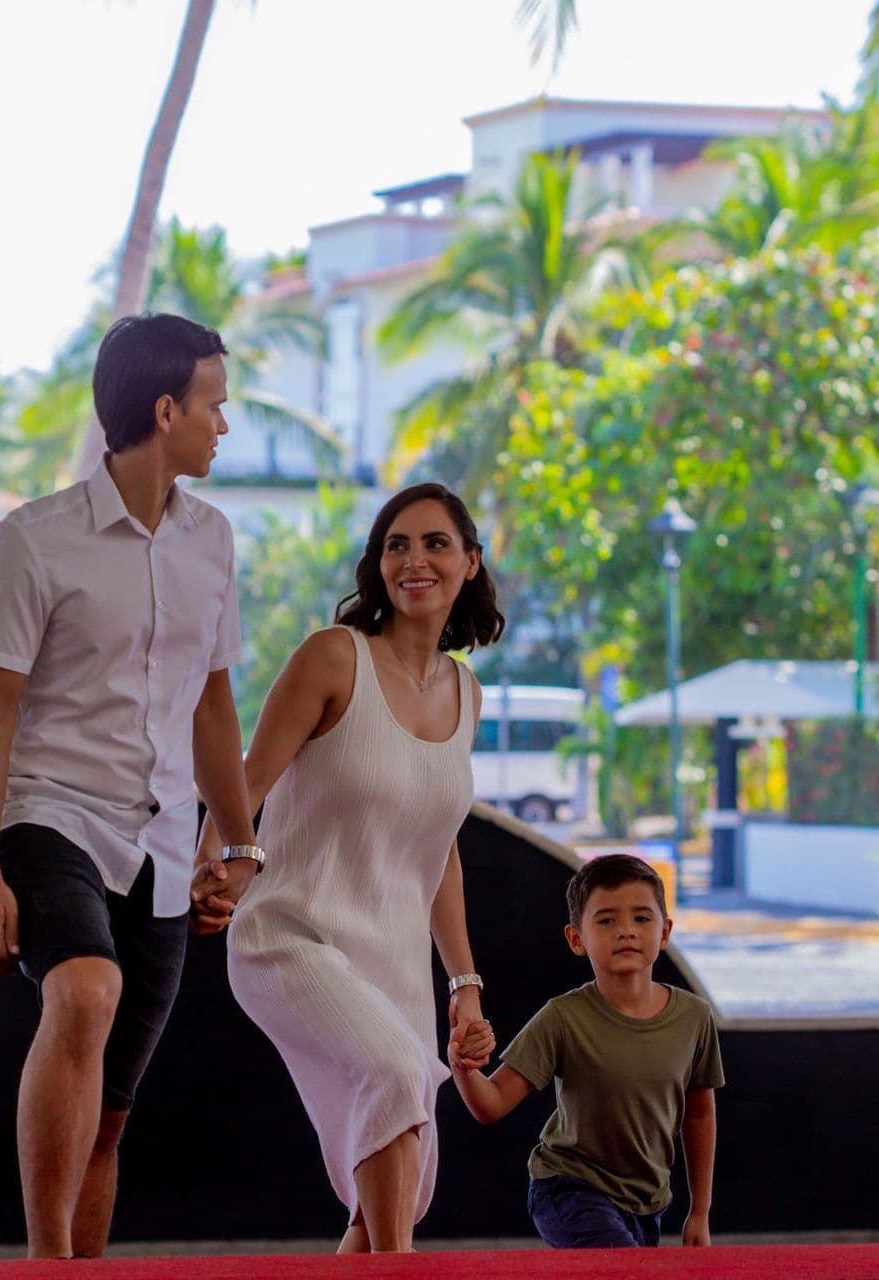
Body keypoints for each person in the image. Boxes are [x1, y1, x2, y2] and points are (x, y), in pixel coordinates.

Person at [0, 312, 264, 1260]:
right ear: (165, 409)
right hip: (50, 814)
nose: (225, 424)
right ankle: (46, 1261)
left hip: (167, 845)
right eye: (214, 404)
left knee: (112, 1116)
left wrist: (240, 842)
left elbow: (213, 706)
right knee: (84, 993)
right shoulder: (30, 543)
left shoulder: (212, 542)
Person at [193, 482, 503, 1253]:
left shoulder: (467, 695)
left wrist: (465, 987)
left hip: (392, 964)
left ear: (470, 562)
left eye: (435, 543)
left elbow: (441, 849)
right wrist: (218, 860)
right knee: (399, 1079)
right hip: (289, 936)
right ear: (377, 565)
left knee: (389, 1194)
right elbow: (245, 782)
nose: (413, 560)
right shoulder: (335, 657)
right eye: (396, 544)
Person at [447, 854, 723, 1250]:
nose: (626, 930)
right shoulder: (562, 1017)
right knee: (622, 1269)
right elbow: (490, 1105)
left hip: (647, 1204)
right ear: (577, 938)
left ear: (665, 932)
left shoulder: (694, 1017)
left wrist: (700, 1211)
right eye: (607, 920)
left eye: (642, 918)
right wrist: (463, 1064)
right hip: (568, 1188)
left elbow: (699, 1113)